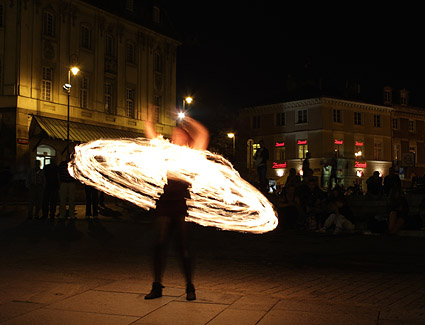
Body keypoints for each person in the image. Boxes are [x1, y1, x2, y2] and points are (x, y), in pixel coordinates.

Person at [144, 115, 209, 301]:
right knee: (159, 243)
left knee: (183, 247)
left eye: (180, 134)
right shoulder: (168, 153)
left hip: (181, 203)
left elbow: (203, 134)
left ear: (187, 138)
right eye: (174, 135)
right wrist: (149, 121)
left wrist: (188, 119)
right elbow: (151, 136)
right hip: (165, 201)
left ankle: (190, 286)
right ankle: (157, 286)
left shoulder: (192, 153)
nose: (175, 137)